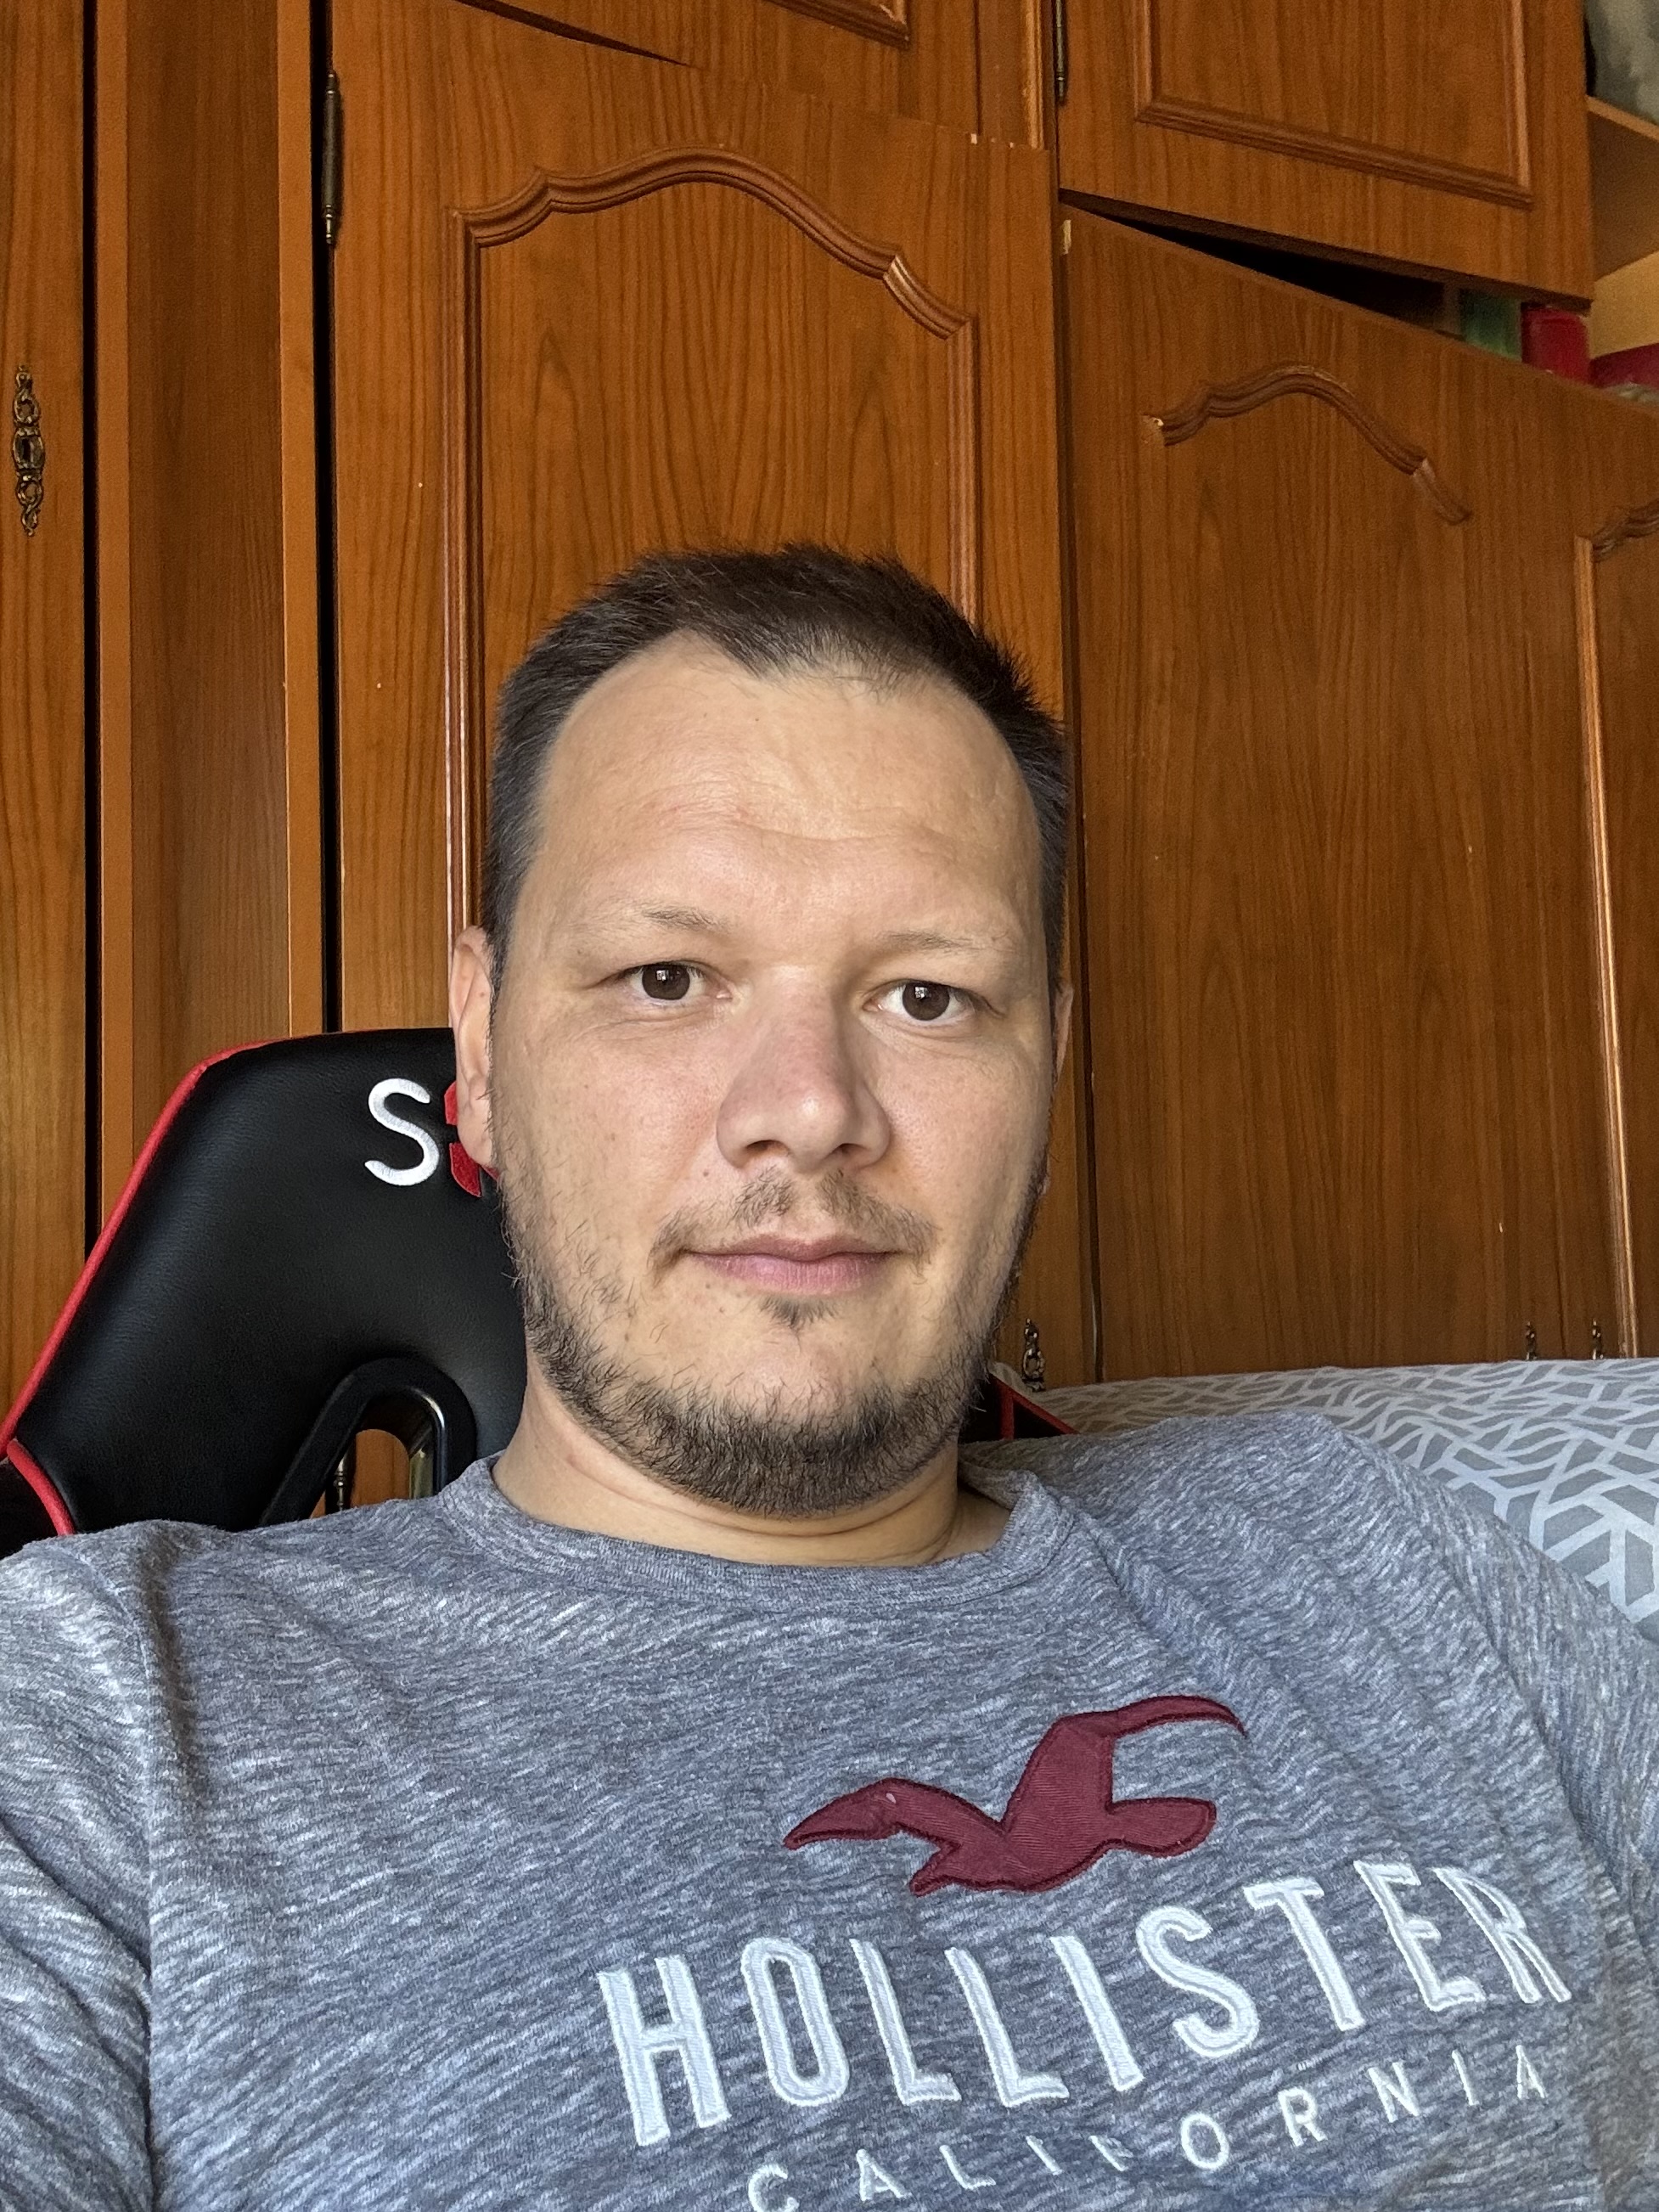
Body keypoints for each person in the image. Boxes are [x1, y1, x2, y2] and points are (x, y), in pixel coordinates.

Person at [1, 546, 1655, 2212]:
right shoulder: (102, 1712)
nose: (806, 1106)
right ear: (483, 1051)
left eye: (927, 995)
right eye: (667, 978)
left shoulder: (1367, 1545)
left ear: (1044, 1067)